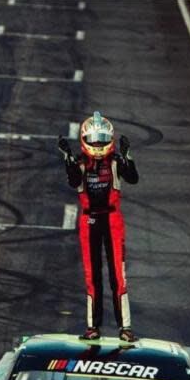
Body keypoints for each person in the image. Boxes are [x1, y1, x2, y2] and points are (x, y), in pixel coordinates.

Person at [57, 111, 139, 343]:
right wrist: (67, 158)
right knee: (92, 276)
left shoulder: (115, 162)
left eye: (102, 139)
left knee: (118, 276)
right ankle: (93, 326)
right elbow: (73, 180)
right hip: (89, 220)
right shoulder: (80, 164)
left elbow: (133, 178)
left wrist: (127, 157)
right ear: (85, 140)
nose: (98, 144)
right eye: (93, 139)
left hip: (112, 220)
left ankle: (125, 327)